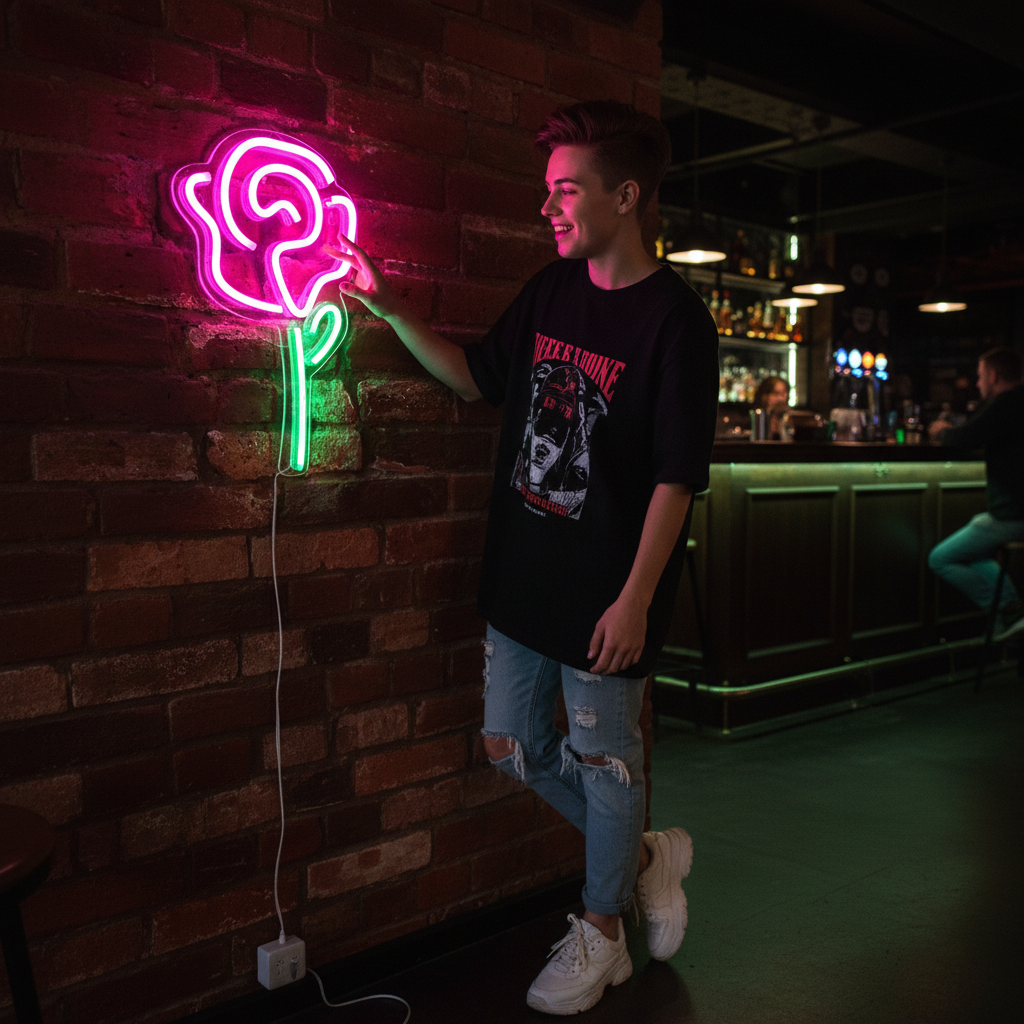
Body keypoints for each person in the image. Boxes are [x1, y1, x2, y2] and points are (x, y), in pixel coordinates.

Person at [327, 100, 718, 1015]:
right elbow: (477, 378)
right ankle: (645, 857)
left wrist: (636, 599)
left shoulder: (678, 324)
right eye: (549, 190)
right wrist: (389, 306)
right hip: (522, 576)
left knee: (606, 763)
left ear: (626, 196)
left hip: (607, 596)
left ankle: (604, 933)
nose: (548, 207)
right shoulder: (550, 290)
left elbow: (676, 479)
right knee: (513, 747)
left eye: (565, 190)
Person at [928, 347, 1024, 641]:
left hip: (1013, 514)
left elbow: (964, 438)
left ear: (994, 377)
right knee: (976, 546)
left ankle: (1010, 611)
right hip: (1013, 514)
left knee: (941, 558)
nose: (978, 383)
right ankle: (1006, 617)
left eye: (981, 377)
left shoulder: (1006, 404)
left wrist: (941, 431)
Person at [753, 375, 790, 440]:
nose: (781, 399)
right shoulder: (755, 419)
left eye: (783, 394)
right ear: (764, 396)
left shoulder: (790, 420)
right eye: (776, 394)